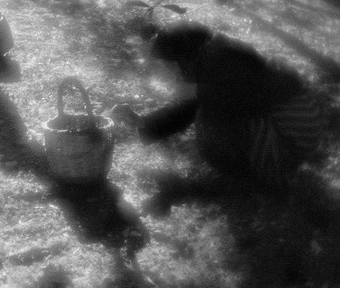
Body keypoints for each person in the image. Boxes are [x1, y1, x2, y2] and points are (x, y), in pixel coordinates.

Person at [112, 21, 326, 189]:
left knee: (211, 120)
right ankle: (255, 170)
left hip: (289, 140)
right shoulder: (211, 56)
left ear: (181, 58)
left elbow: (250, 96)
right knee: (210, 111)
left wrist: (197, 91)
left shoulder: (220, 59)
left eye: (170, 66)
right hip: (287, 133)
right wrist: (143, 124)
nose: (172, 74)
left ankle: (257, 177)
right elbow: (187, 110)